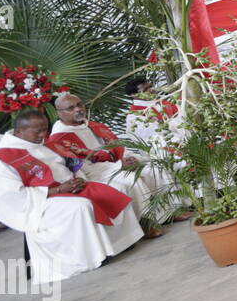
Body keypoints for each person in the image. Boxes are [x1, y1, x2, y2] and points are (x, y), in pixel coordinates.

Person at [0, 109, 144, 280]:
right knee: (80, 207)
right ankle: (91, 258)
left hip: (69, 187)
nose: (43, 134)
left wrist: (76, 180)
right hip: (40, 202)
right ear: (19, 131)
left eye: (45, 129)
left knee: (116, 189)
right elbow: (12, 196)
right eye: (37, 131)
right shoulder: (1, 161)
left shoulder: (42, 144)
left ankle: (121, 242)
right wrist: (58, 190)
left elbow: (69, 165)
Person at [123, 76, 237, 182]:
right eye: (145, 90)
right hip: (171, 139)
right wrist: (181, 128)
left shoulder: (164, 101)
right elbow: (153, 136)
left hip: (189, 128)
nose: (151, 90)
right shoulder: (134, 117)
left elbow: (186, 113)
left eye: (151, 86)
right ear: (132, 96)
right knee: (218, 142)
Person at [49, 92, 165, 235]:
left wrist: (128, 157)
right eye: (70, 108)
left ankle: (169, 212)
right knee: (130, 179)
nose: (78, 109)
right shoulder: (59, 138)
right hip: (98, 174)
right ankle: (147, 221)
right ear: (59, 113)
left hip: (115, 164)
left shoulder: (92, 125)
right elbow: (84, 169)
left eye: (79, 105)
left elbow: (117, 145)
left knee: (154, 167)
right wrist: (119, 166)